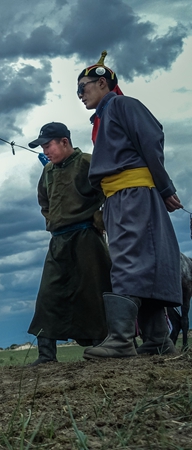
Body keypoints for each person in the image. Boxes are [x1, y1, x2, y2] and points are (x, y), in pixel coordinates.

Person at [77, 53, 183, 359]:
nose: (80, 95)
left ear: (101, 83)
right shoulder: (103, 116)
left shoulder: (123, 105)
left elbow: (151, 140)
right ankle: (158, 339)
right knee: (142, 261)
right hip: (118, 197)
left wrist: (164, 187)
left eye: (83, 88)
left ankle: (122, 340)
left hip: (134, 195)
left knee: (129, 260)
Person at [26, 122, 111, 365]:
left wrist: (98, 219)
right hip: (58, 240)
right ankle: (46, 355)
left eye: (48, 145)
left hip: (87, 237)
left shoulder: (87, 162)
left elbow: (107, 193)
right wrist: (53, 219)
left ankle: (101, 348)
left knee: (94, 292)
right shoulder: (48, 171)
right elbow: (44, 202)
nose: (45, 152)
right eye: (42, 147)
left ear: (64, 141)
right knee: (48, 295)